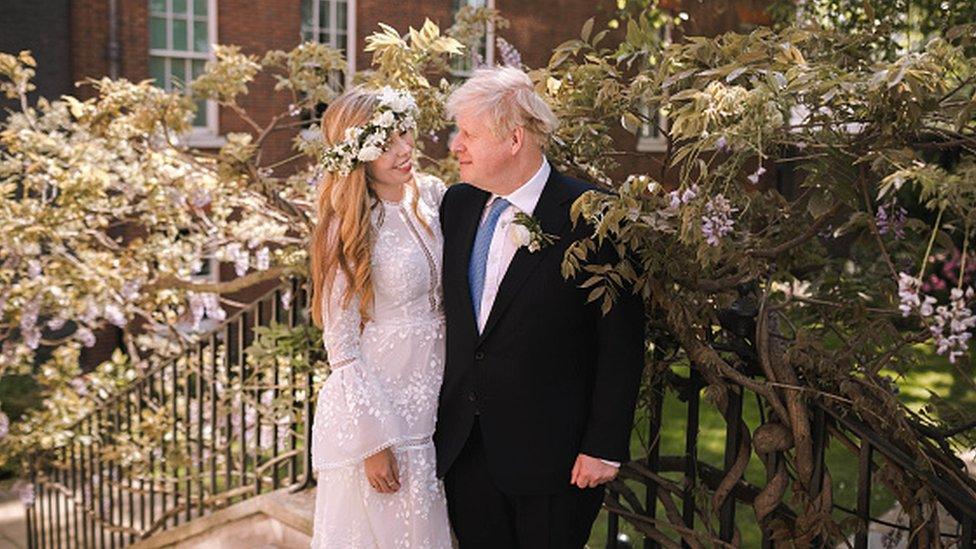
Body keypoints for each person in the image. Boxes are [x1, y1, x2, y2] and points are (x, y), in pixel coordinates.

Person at [434, 66, 646, 548]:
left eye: (467, 134)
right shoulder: (458, 205)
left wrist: (603, 446)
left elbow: (622, 342)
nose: (455, 146)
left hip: (557, 462)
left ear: (513, 139)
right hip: (467, 451)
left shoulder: (595, 216)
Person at [308, 86, 452, 548]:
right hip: (384, 407)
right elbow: (343, 347)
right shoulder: (347, 224)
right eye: (387, 143)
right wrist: (372, 443)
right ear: (360, 154)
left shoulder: (433, 195)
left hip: (437, 393)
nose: (405, 149)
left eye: (405, 134)